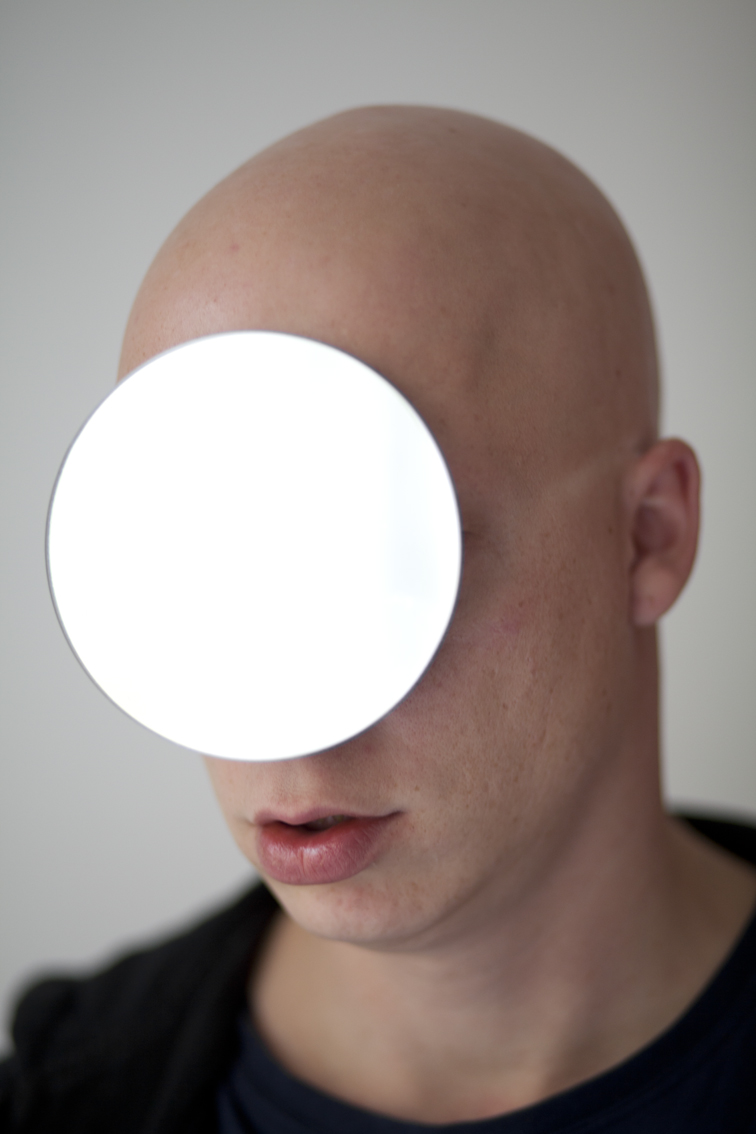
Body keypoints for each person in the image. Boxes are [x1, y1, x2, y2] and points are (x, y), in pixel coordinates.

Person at [2, 106, 755, 1133]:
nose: (279, 718)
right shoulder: (61, 1099)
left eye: (384, 549)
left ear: (648, 535)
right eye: (193, 559)